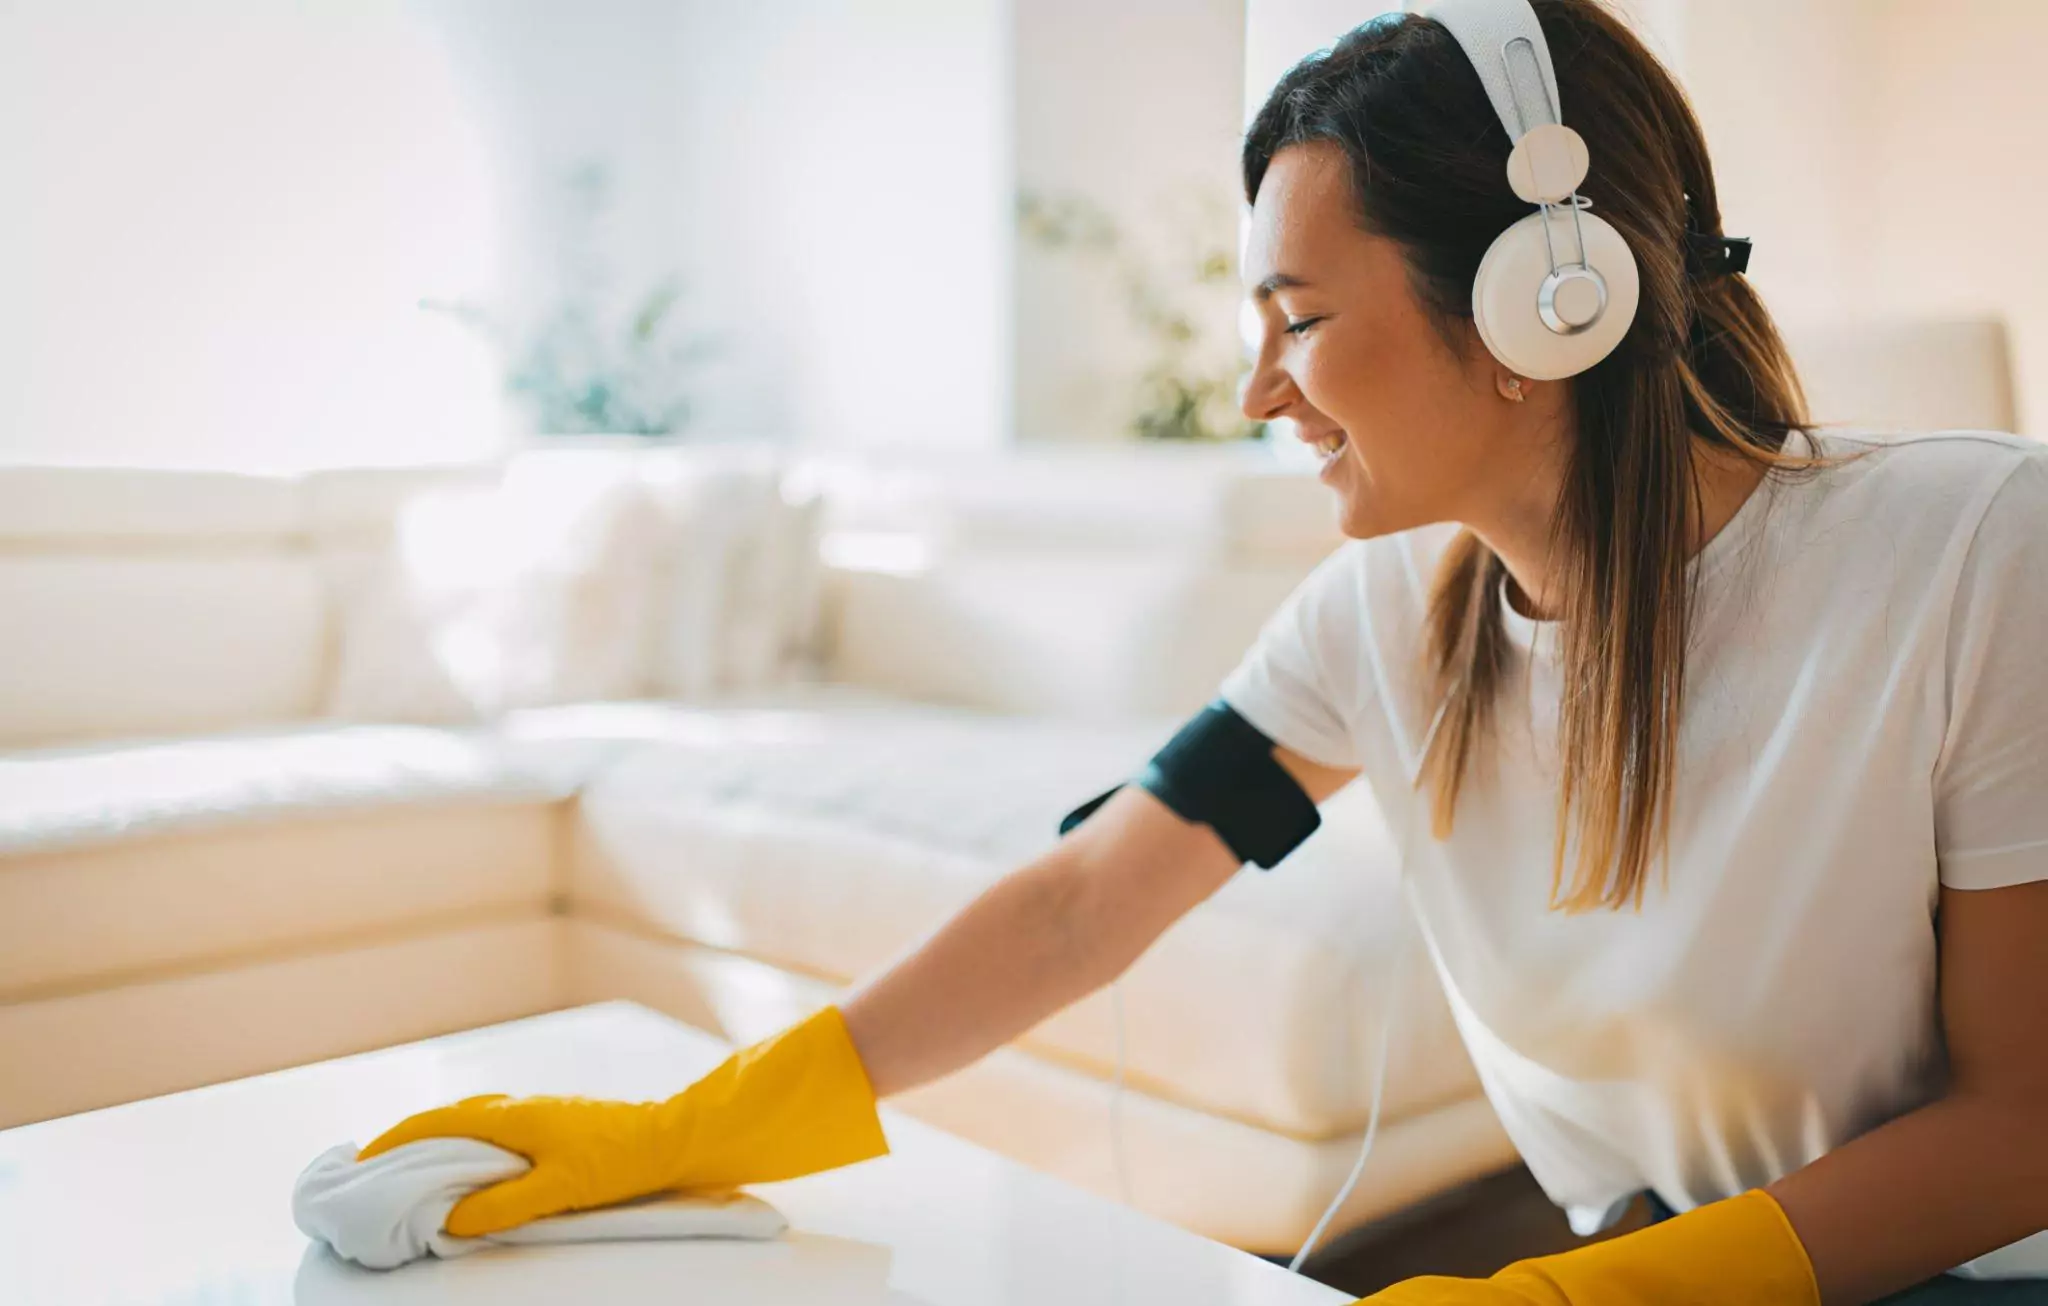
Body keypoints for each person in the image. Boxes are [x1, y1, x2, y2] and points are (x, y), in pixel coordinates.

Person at [356, 2, 2048, 1301]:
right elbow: (1091, 897)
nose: (1257, 394)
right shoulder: (1392, 615)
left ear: (1551, 301)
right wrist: (707, 1122)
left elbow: (2021, 1122)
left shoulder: (1973, 554)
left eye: (1301, 320)